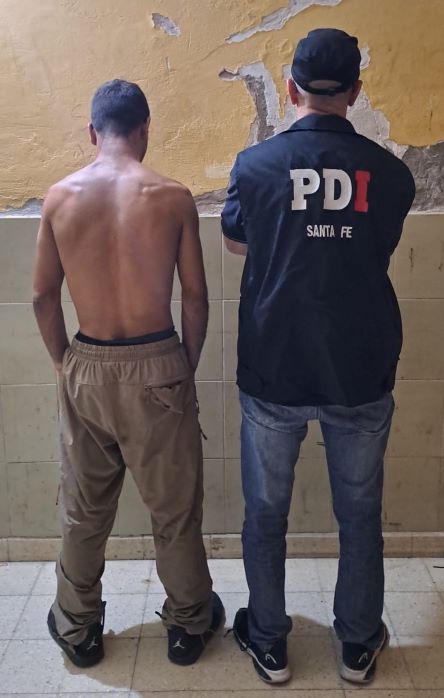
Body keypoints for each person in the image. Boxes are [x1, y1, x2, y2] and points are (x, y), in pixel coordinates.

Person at [222, 29, 415, 685]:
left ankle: (269, 642)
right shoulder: (392, 175)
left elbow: (239, 243)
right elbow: (373, 245)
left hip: (274, 364)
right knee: (359, 515)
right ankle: (357, 643)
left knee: (265, 515)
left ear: (290, 87)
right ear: (356, 92)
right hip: (359, 367)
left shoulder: (254, 167)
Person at [33, 79, 223, 669]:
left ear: (93, 132)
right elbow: (196, 298)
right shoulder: (172, 197)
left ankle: (78, 628)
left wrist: (64, 363)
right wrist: (184, 365)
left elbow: (41, 296)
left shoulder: (59, 198)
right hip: (158, 360)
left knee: (85, 511)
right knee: (174, 511)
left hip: (87, 361)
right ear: (145, 130)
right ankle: (188, 625)